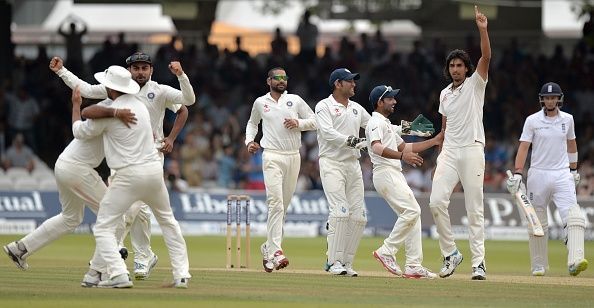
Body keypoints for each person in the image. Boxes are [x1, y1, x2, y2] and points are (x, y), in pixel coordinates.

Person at [49, 52, 194, 280]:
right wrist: (61, 71)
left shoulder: (159, 90)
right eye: (136, 68)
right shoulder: (117, 88)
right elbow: (85, 90)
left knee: (137, 209)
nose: (140, 72)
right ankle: (128, 255)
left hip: (150, 154)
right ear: (128, 71)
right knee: (124, 210)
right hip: (120, 156)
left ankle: (132, 256)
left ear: (151, 71)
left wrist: (171, 138)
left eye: (144, 68)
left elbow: (186, 104)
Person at [2, 97, 136, 284]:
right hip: (78, 169)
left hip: (64, 164)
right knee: (116, 219)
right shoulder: (111, 116)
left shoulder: (105, 111)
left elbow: (77, 128)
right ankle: (98, 273)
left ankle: (20, 248)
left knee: (70, 218)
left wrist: (75, 105)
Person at [428, 5, 491, 280]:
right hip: (450, 152)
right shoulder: (444, 94)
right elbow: (444, 130)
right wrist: (439, 159)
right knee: (435, 202)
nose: (455, 69)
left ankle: (479, 263)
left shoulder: (476, 84)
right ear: (448, 69)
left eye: (460, 65)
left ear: (467, 68)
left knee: (474, 209)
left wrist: (482, 29)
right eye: (452, 66)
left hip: (473, 148)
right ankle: (451, 253)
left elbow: (486, 56)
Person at [506, 82, 588, 277]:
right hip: (538, 174)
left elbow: (572, 144)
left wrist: (574, 170)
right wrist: (518, 172)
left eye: (553, 97)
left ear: (558, 99)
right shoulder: (532, 120)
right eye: (547, 97)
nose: (550, 100)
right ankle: (538, 265)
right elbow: (524, 147)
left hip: (561, 174)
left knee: (573, 217)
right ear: (542, 99)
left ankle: (575, 261)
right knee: (537, 221)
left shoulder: (568, 119)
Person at [366, 85, 443, 279]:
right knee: (412, 211)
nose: (394, 102)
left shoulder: (386, 124)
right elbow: (376, 147)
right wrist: (402, 156)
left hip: (392, 173)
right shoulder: (375, 122)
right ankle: (387, 250)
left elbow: (407, 146)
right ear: (379, 102)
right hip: (385, 173)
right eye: (390, 98)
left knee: (413, 215)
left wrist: (434, 141)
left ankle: (413, 265)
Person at [245, 67, 316, 272]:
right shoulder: (260, 102)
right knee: (275, 203)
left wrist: (298, 123)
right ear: (269, 81)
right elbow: (252, 123)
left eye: (285, 77)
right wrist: (250, 141)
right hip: (272, 155)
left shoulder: (295, 100)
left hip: (293, 156)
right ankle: (276, 251)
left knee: (282, 207)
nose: (282, 80)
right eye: (277, 78)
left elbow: (315, 121)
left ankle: (268, 247)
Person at [315, 68, 369, 276]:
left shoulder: (356, 108)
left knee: (359, 217)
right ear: (338, 84)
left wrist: (404, 129)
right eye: (350, 81)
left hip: (352, 165)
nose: (354, 84)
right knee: (340, 212)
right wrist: (353, 141)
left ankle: (346, 262)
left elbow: (375, 125)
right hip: (332, 163)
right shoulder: (324, 106)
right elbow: (327, 133)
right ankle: (333, 261)